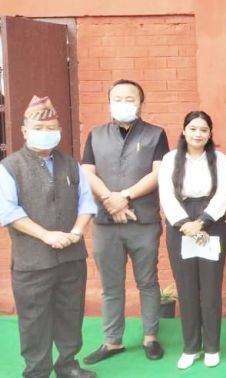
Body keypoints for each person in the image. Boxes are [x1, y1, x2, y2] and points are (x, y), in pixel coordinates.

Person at [0, 96, 97, 378]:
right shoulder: (9, 167)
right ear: (24, 131)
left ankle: (67, 364)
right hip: (33, 262)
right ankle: (37, 371)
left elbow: (87, 204)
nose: (47, 133)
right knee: (34, 320)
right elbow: (7, 211)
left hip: (71, 255)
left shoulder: (71, 164)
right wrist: (46, 236)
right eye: (40, 128)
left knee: (71, 313)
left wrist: (76, 232)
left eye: (52, 127)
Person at [81, 79, 170, 364]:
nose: (123, 103)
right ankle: (112, 341)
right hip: (106, 223)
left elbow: (158, 173)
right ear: (109, 102)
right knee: (111, 285)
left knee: (147, 281)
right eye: (117, 98)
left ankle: (151, 337)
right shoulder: (95, 136)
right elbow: (88, 172)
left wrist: (125, 196)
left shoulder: (156, 135)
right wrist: (110, 199)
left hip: (142, 222)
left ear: (141, 103)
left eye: (130, 98)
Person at [158, 111, 226, 369]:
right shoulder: (170, 159)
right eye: (193, 129)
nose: (198, 134)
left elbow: (222, 195)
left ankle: (211, 346)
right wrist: (183, 224)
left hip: (211, 225)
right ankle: (191, 347)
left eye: (203, 129)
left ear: (210, 133)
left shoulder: (220, 160)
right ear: (184, 131)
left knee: (210, 289)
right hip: (180, 227)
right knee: (187, 288)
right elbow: (166, 195)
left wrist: (201, 223)